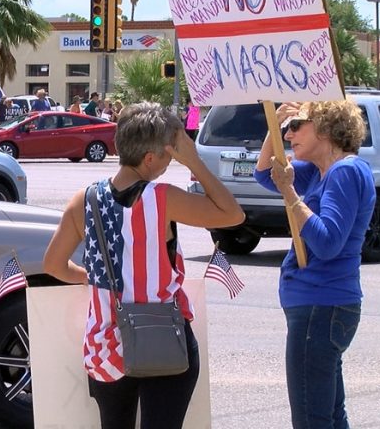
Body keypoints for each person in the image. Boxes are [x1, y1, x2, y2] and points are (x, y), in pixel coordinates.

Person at [42, 102, 244, 429]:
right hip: (163, 338)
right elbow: (233, 214)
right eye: (169, 154)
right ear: (150, 158)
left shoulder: (84, 200)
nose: (170, 161)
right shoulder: (162, 197)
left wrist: (94, 279)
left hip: (106, 343)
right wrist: (193, 160)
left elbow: (53, 264)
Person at [254, 100, 374, 429]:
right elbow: (264, 174)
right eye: (287, 128)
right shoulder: (325, 170)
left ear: (324, 127)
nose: (289, 134)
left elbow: (328, 242)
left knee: (311, 419)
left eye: (297, 125)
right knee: (329, 416)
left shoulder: (344, 172)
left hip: (322, 307)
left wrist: (291, 193)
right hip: (323, 307)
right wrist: (273, 128)